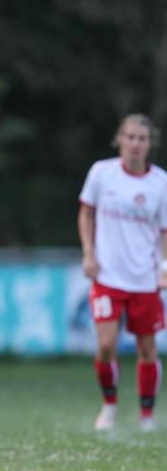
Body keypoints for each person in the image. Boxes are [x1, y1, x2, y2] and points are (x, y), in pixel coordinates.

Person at [78, 114, 167, 432]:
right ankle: (109, 406)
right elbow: (86, 213)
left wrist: (164, 268)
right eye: (129, 137)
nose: (134, 144)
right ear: (119, 139)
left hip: (144, 279)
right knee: (105, 346)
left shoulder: (161, 182)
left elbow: (165, 231)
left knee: (147, 348)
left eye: (141, 138)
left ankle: (146, 415)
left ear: (149, 144)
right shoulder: (102, 173)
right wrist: (89, 254)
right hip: (107, 277)